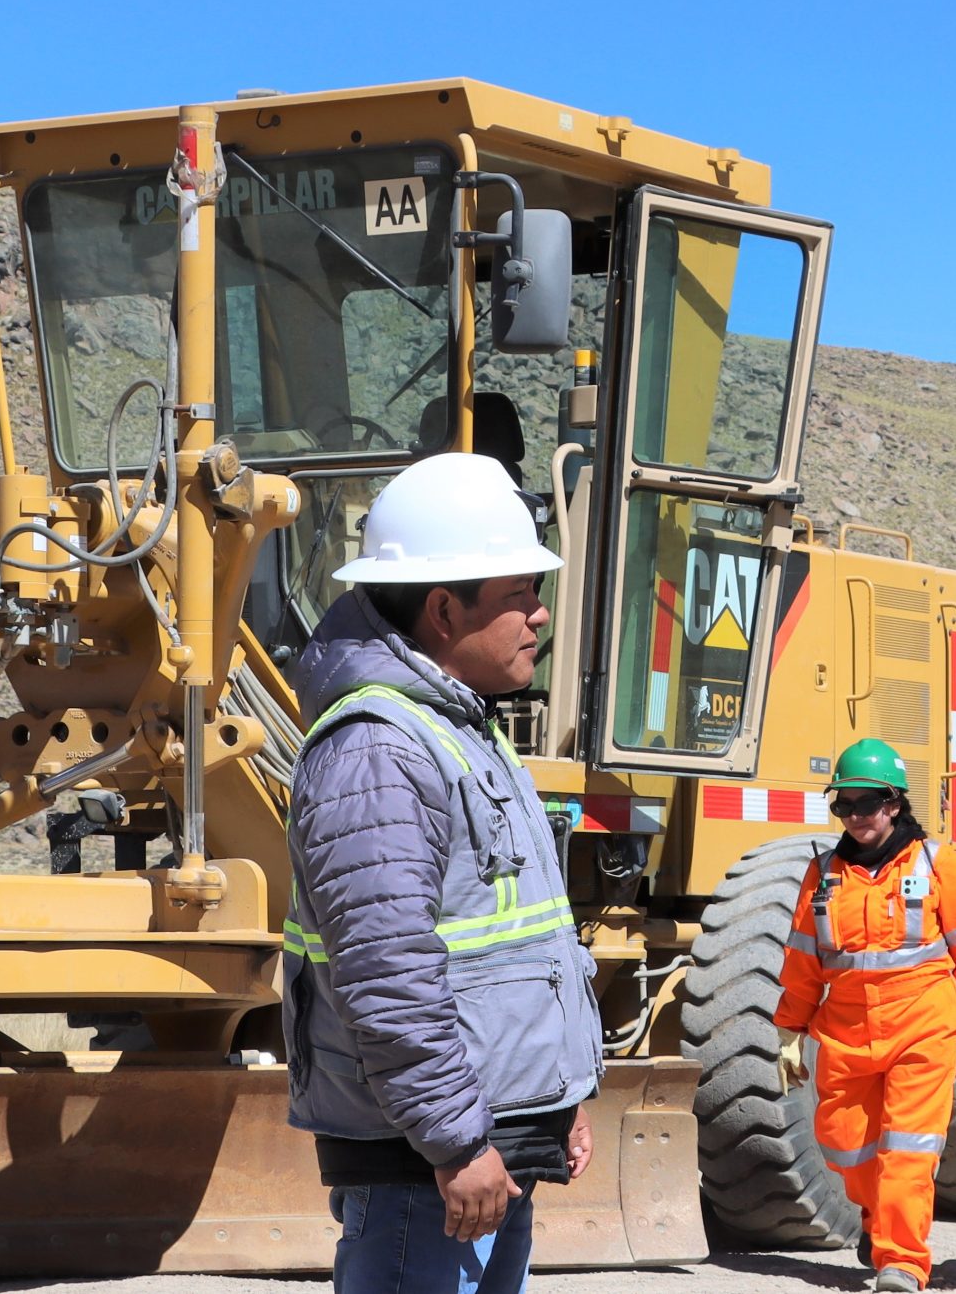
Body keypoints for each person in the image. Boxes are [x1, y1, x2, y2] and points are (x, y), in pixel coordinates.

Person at [282, 452, 602, 1294]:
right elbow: (388, 974)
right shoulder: (379, 748)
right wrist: (457, 1141)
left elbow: (512, 942)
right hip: (428, 1169)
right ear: (441, 608)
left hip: (486, 1149)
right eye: (518, 595)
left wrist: (555, 1100)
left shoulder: (460, 729)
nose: (539, 616)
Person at [771, 739, 956, 1293]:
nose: (856, 816)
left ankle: (901, 1262)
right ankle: (876, 1220)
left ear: (895, 803)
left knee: (907, 1149)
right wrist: (789, 1030)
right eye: (845, 805)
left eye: (868, 803)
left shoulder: (936, 863)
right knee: (845, 1144)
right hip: (846, 1031)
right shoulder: (823, 873)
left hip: (922, 1025)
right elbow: (804, 959)